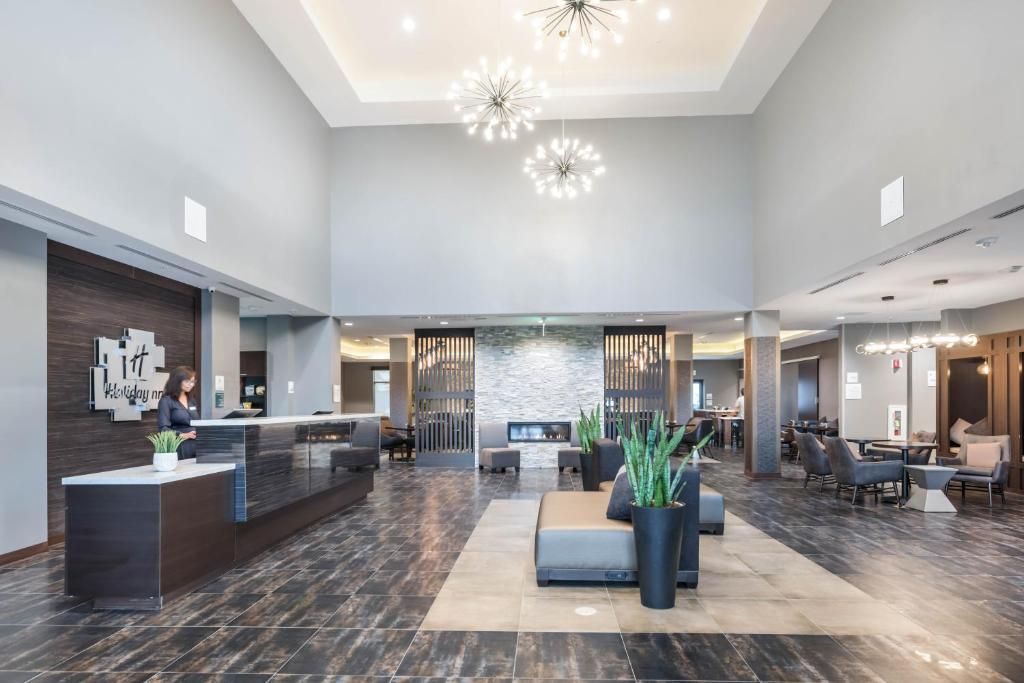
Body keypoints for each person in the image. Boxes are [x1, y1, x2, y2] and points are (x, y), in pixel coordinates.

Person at [157, 366, 199, 459]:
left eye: (192, 382)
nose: (191, 384)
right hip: (180, 446)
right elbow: (163, 429)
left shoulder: (191, 400)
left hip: (197, 445)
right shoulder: (166, 401)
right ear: (177, 381)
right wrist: (183, 435)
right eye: (187, 381)